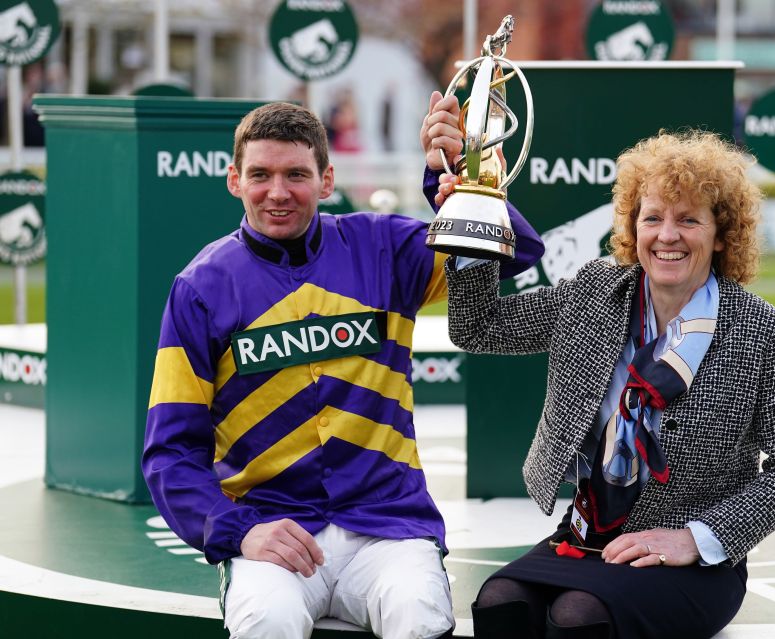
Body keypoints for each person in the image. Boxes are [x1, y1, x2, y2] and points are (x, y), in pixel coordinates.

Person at [142, 96, 543, 639]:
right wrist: (237, 532)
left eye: (296, 175)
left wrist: (448, 181)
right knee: (267, 621)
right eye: (260, 174)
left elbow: (518, 250)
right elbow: (171, 452)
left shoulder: (383, 246)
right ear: (234, 179)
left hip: (388, 526)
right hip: (271, 526)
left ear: (327, 180)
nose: (277, 192)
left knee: (420, 616)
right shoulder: (200, 288)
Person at [444, 130, 775, 639]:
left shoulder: (760, 332)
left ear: (722, 234)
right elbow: (478, 325)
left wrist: (695, 538)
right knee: (499, 604)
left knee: (578, 617)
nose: (667, 235)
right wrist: (478, 210)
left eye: (689, 219)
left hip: (696, 560)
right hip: (589, 533)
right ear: (632, 227)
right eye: (652, 218)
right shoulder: (595, 291)